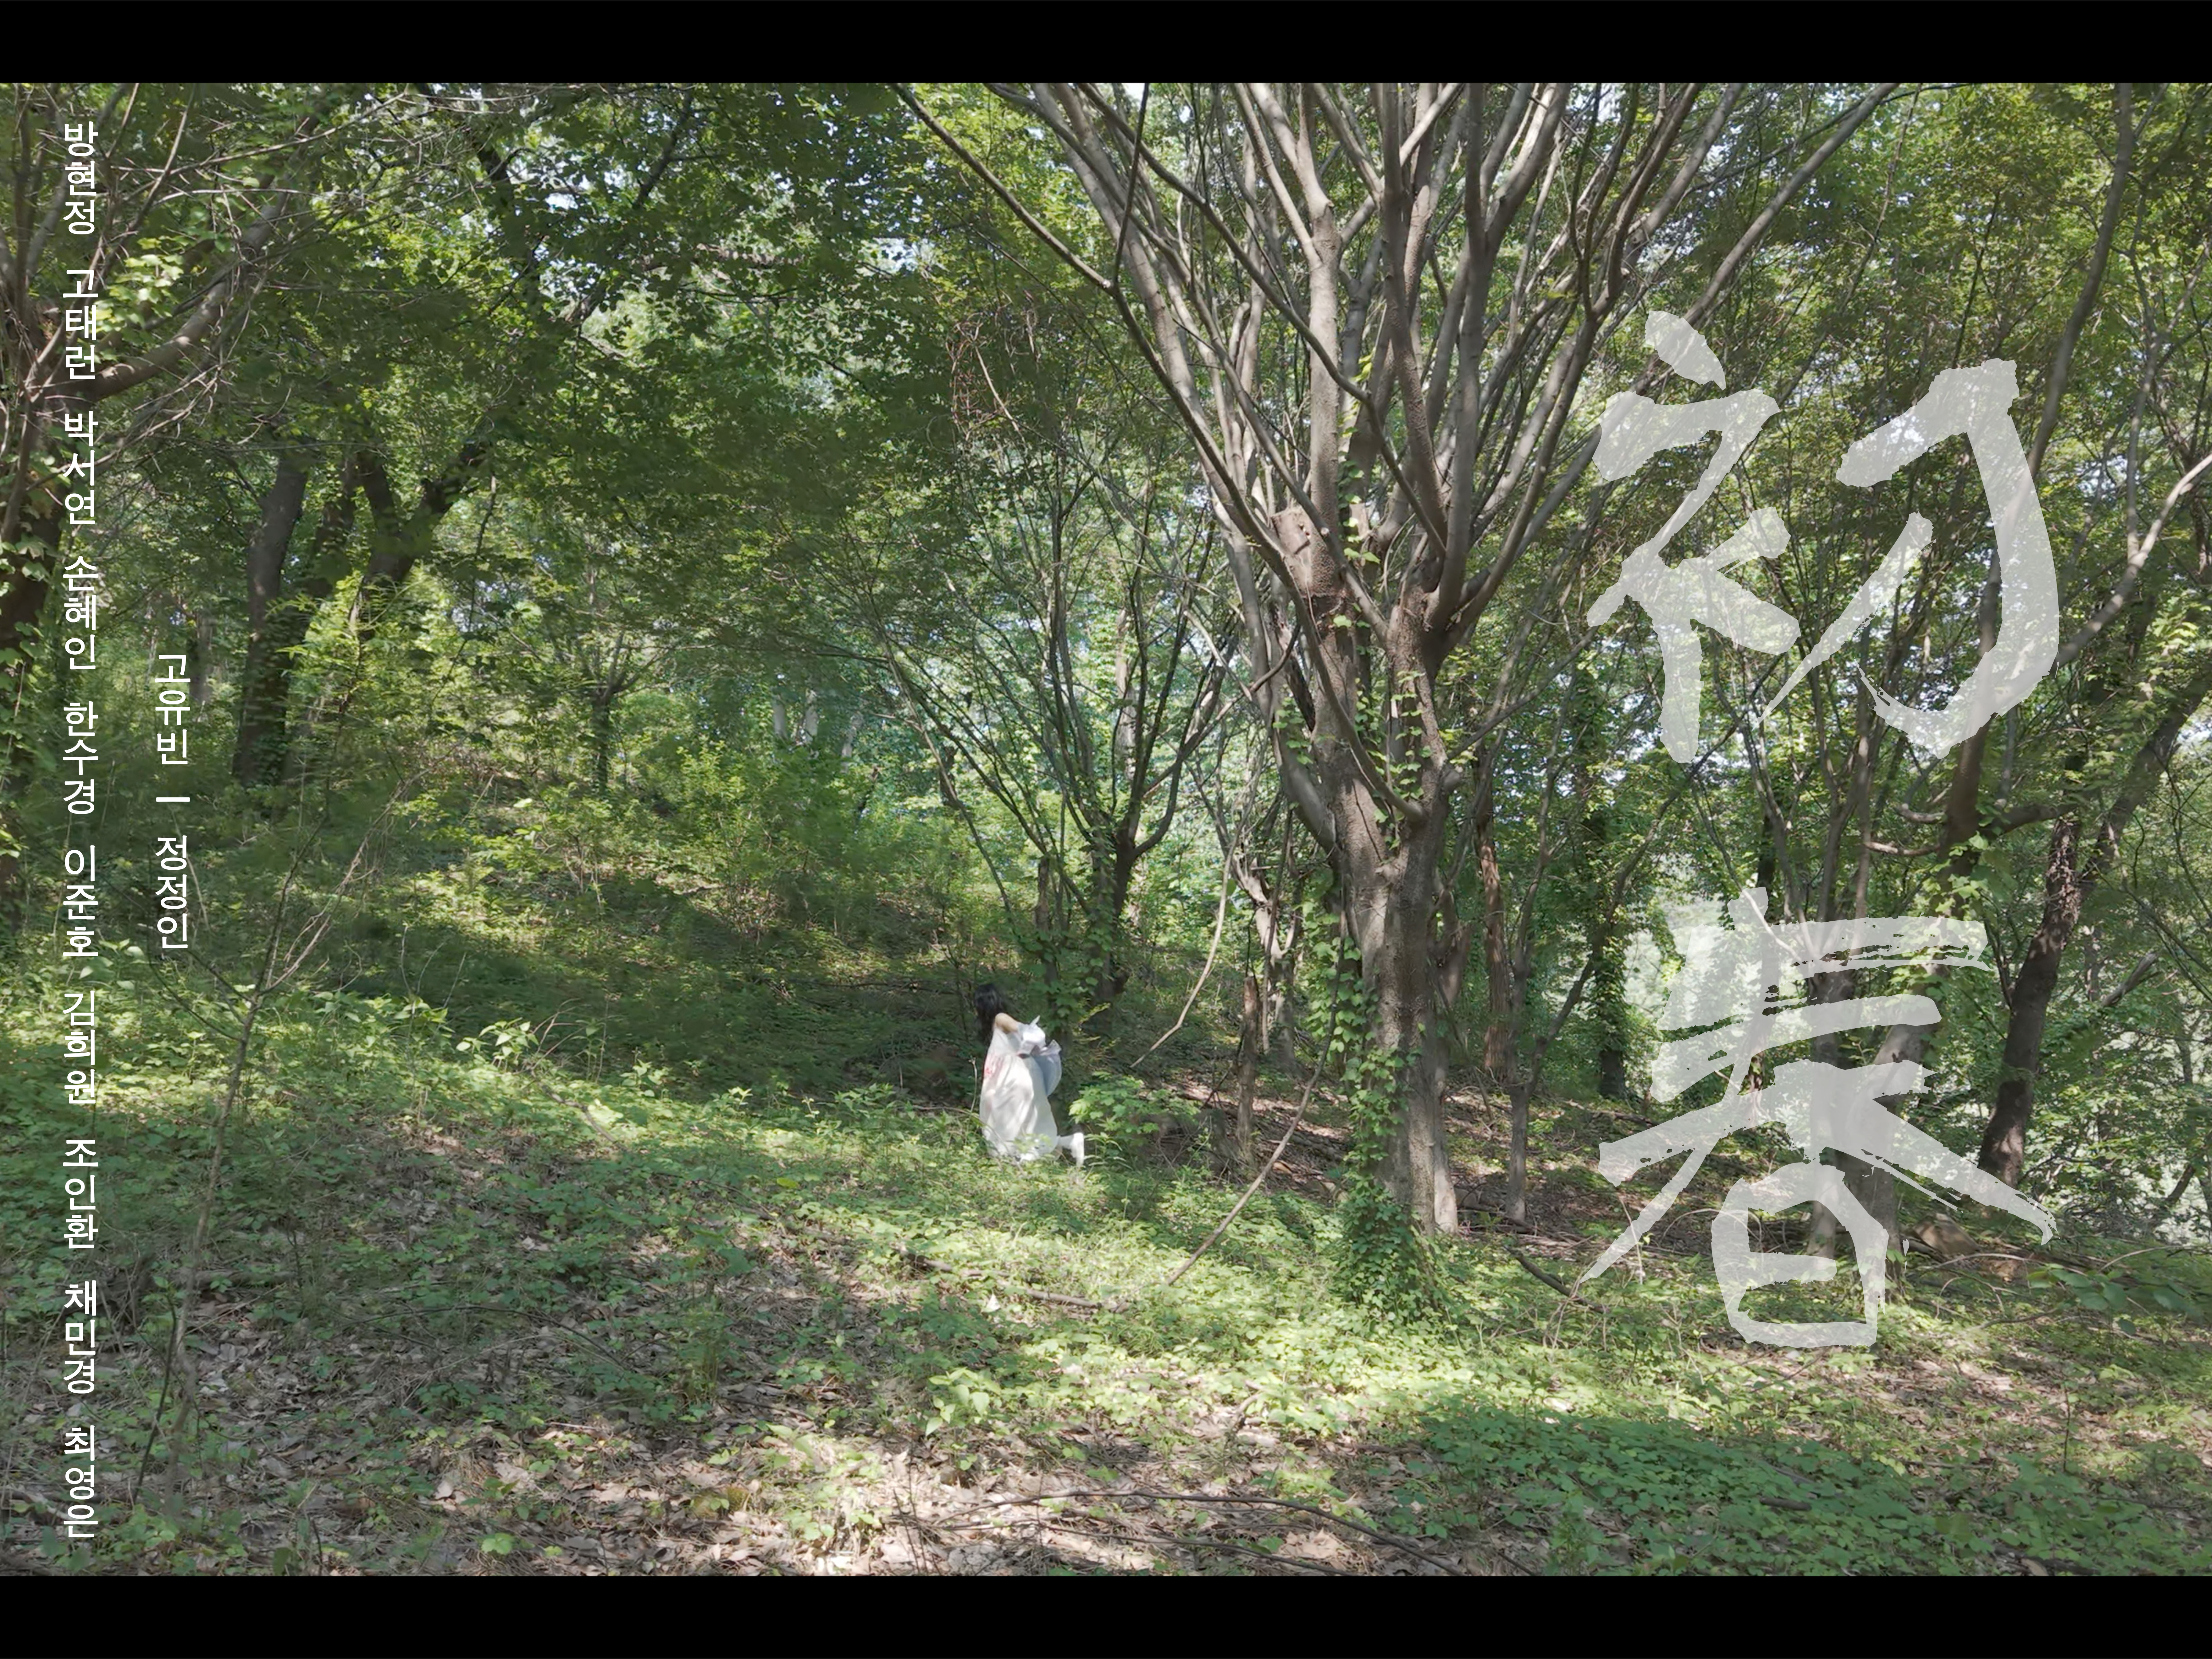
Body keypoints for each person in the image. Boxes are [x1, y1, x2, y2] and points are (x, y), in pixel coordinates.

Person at [972, 984, 1083, 1167]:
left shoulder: (1001, 1018)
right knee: (1018, 1122)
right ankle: (1069, 1142)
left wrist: (1029, 1043)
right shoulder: (996, 1025)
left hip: (1016, 1078)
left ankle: (1016, 1161)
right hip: (1014, 1078)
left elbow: (1026, 1031)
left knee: (1011, 1121)